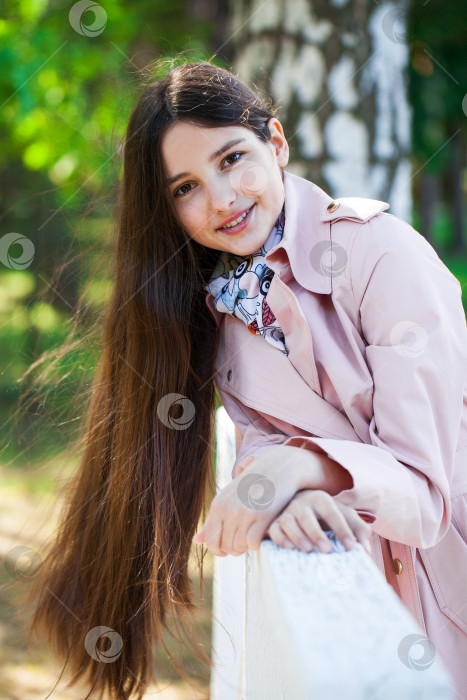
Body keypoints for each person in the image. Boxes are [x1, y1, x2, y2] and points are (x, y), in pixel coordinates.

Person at [21, 58, 467, 700]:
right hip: (372, 606)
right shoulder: (223, 314)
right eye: (185, 188)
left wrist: (302, 467)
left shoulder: (382, 257)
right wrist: (301, 488)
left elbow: (423, 494)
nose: (222, 199)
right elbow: (264, 446)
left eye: (232, 159)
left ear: (276, 142)